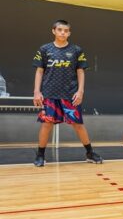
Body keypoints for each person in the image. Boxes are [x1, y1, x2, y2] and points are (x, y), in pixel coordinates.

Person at [32, 20, 103, 167]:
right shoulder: (44, 49)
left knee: (78, 124)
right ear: (53, 31)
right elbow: (39, 71)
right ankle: (40, 155)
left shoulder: (76, 50)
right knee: (47, 124)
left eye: (65, 30)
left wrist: (80, 91)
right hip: (49, 94)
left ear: (69, 33)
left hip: (70, 94)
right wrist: (37, 91)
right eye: (59, 30)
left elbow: (80, 71)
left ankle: (89, 153)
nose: (62, 32)